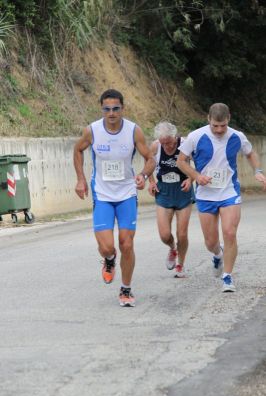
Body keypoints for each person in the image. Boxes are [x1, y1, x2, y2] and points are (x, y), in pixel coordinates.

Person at [73, 89, 155, 307]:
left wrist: (144, 175)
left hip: (127, 193)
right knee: (108, 247)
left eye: (115, 109)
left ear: (122, 109)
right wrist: (81, 179)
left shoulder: (133, 131)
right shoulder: (92, 130)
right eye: (107, 109)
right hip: (102, 194)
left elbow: (150, 158)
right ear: (102, 109)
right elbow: (78, 150)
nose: (111, 113)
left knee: (126, 244)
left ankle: (126, 290)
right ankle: (109, 260)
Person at [176, 103, 266, 292]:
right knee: (210, 242)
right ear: (208, 119)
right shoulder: (195, 136)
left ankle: (227, 276)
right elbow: (181, 161)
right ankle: (217, 254)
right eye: (215, 126)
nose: (219, 130)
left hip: (229, 192)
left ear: (229, 119)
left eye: (223, 126)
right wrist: (196, 176)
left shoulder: (237, 136)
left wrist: (257, 170)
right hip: (206, 195)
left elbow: (251, 153)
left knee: (230, 233)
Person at [148, 121, 195, 278]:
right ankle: (172, 248)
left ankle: (180, 265)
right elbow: (148, 162)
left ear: (175, 137)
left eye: (169, 142)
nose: (167, 146)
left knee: (182, 233)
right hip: (164, 191)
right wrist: (152, 181)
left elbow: (201, 163)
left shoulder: (186, 144)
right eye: (163, 143)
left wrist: (191, 179)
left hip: (183, 190)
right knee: (164, 234)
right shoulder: (156, 146)